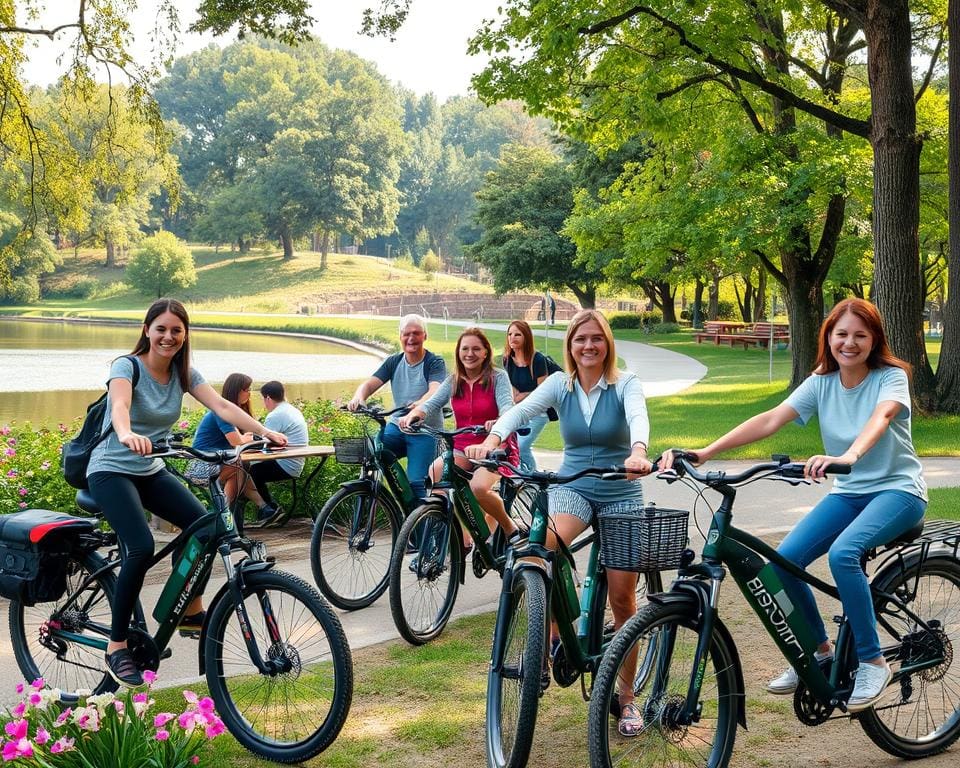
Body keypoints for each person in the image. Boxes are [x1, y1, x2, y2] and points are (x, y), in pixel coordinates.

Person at [660, 298, 927, 712]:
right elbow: (771, 418)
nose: (850, 343)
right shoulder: (821, 381)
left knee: (844, 554)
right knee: (784, 562)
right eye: (842, 334)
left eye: (860, 335)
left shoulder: (889, 377)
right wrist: (707, 451)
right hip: (848, 494)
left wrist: (850, 457)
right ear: (829, 338)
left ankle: (872, 660)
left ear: (874, 339)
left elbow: (883, 417)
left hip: (898, 491)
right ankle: (820, 650)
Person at [466, 309, 653, 736]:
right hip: (573, 485)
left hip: (621, 489)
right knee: (540, 549)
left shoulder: (625, 383)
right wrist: (494, 439)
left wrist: (639, 450)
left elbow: (639, 416)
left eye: (596, 339)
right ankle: (550, 638)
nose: (588, 346)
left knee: (623, 600)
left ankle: (627, 700)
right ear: (569, 346)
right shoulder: (559, 384)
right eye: (580, 340)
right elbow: (521, 411)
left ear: (607, 343)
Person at [85, 299, 287, 688]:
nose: (168, 336)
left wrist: (264, 433)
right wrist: (126, 433)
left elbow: (223, 405)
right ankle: (116, 645)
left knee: (205, 528)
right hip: (110, 468)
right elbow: (120, 404)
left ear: (185, 335)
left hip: (149, 468)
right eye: (161, 328)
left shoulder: (183, 373)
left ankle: (190, 611)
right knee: (141, 546)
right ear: (147, 330)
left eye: (176, 330)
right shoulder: (125, 366)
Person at [399, 328, 521, 548]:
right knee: (436, 473)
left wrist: (499, 421)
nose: (470, 353)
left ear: (486, 353)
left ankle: (509, 526)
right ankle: (463, 540)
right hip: (463, 446)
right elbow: (432, 403)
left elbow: (507, 407)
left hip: (495, 448)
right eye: (465, 348)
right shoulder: (454, 380)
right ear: (458, 352)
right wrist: (414, 414)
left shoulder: (498, 378)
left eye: (476, 349)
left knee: (478, 488)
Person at [347, 314, 446, 503]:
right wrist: (359, 397)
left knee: (417, 483)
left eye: (416, 333)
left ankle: (424, 527)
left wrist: (420, 404)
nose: (411, 338)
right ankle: (381, 501)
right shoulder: (394, 361)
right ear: (400, 336)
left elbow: (436, 389)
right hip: (397, 426)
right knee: (371, 454)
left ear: (425, 336)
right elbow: (369, 384)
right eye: (406, 334)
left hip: (424, 431)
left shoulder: (434, 362)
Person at [188, 373, 266, 513]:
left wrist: (250, 439)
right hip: (200, 466)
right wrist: (248, 439)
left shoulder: (235, 413)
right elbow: (236, 442)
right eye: (246, 389)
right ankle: (223, 514)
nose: (249, 393)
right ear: (236, 390)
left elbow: (240, 443)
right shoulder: (222, 413)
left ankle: (265, 508)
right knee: (238, 468)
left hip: (218, 463)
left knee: (241, 466)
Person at [246, 380, 309, 525]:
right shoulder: (290, 409)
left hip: (287, 463)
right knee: (254, 470)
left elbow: (262, 443)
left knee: (251, 472)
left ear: (267, 398)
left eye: (263, 399)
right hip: (295, 461)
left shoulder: (276, 415)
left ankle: (270, 511)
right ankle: (270, 509)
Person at [502, 320, 550, 471]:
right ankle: (522, 476)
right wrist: (524, 395)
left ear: (526, 337)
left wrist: (522, 395)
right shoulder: (508, 360)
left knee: (523, 446)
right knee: (513, 446)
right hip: (520, 410)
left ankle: (533, 478)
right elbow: (513, 392)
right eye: (510, 334)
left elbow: (544, 391)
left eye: (517, 334)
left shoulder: (538, 360)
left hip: (539, 411)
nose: (512, 338)